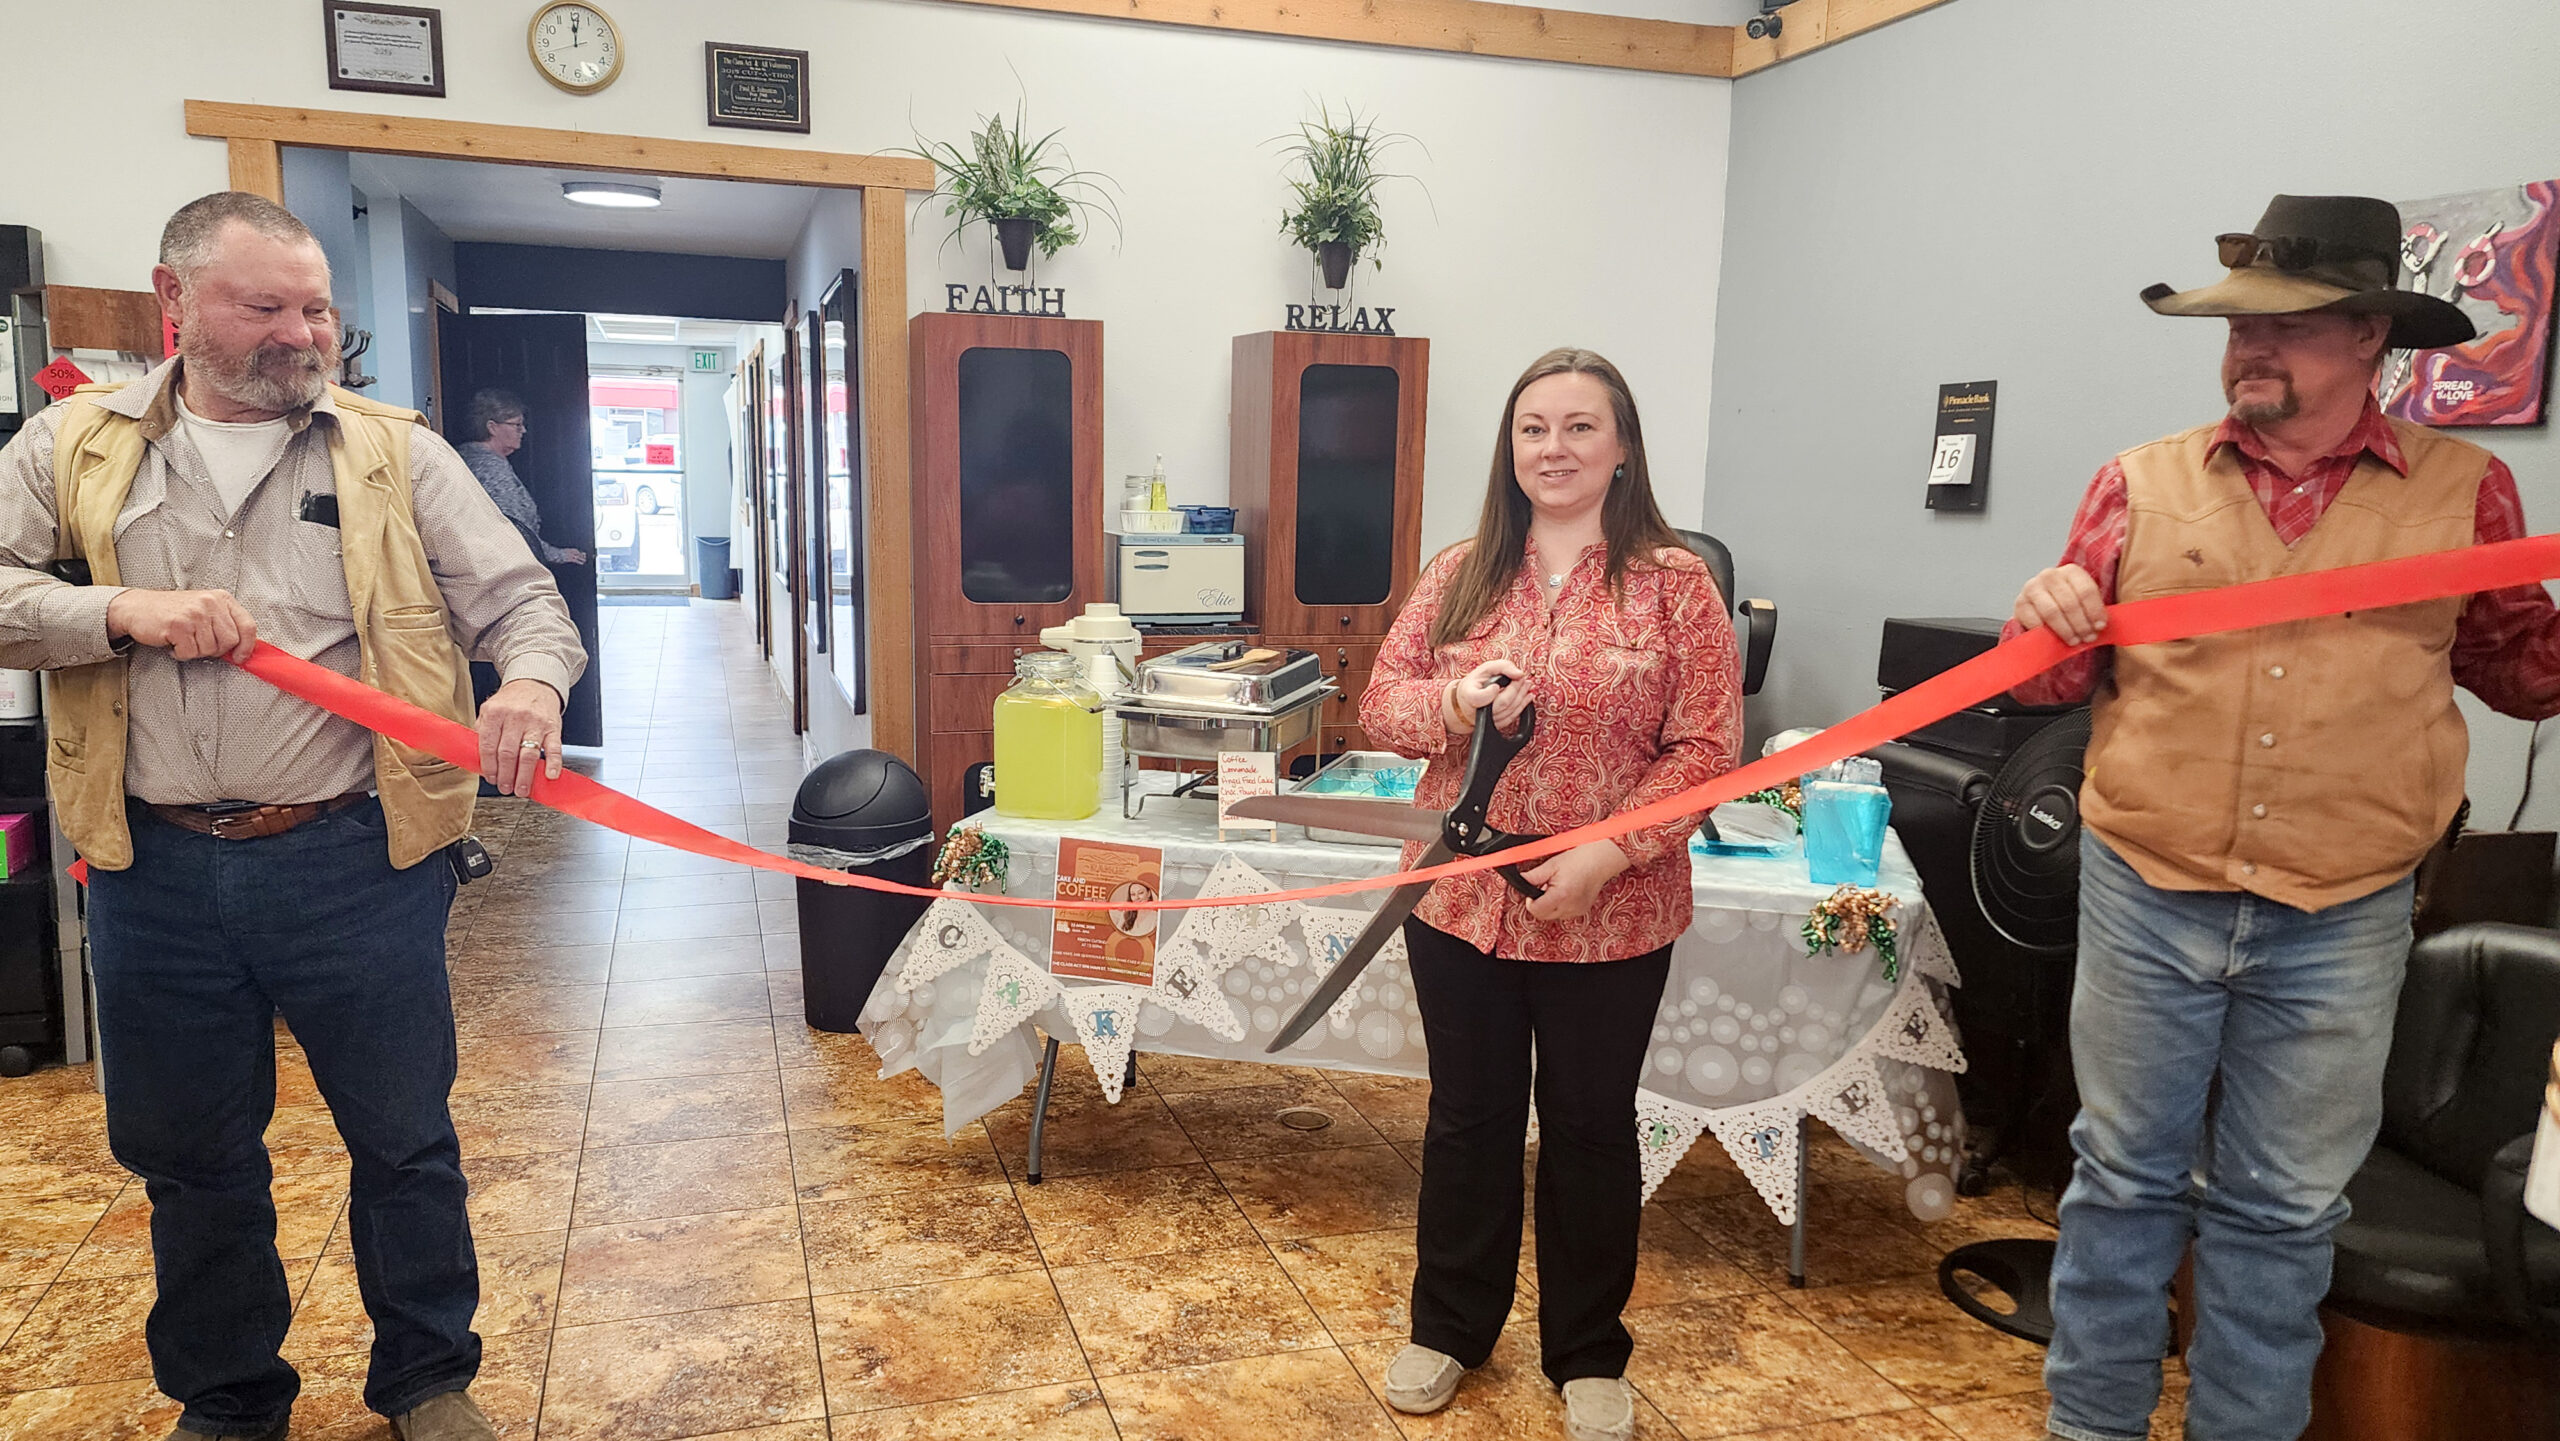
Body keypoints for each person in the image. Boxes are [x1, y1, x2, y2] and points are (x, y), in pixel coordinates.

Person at [0, 192, 589, 1441]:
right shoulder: (71, 447)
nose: (299, 330)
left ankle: (428, 1379)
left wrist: (531, 681)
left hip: (353, 860)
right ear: (175, 303)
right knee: (191, 1158)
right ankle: (228, 1399)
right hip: (151, 869)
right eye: (261, 305)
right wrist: (116, 614)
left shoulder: (396, 452)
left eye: (314, 304)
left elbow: (523, 603)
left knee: (405, 1137)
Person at [2005, 194, 2560, 1441]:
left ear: (2370, 337)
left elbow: (2524, 672)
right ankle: (2087, 1429)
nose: (2251, 349)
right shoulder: (2136, 485)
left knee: (2284, 1208)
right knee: (2122, 1181)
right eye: (2238, 329)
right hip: (2149, 884)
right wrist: (2039, 613)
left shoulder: (2469, 493)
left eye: (2288, 327)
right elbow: (2043, 681)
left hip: (2343, 908)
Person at [1361, 348, 1741, 1441]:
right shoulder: (1462, 569)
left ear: (1621, 449)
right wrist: (1450, 698)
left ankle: (1587, 1351)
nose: (1554, 449)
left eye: (1580, 428)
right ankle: (1448, 1329)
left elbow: (1710, 748)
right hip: (1461, 899)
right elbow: (1381, 705)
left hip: (1612, 907)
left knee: (1587, 1125)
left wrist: (1608, 856)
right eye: (1534, 428)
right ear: (1509, 447)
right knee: (1468, 1120)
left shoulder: (1675, 584)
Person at [454, 388, 587, 567]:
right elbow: (514, 529)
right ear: (492, 427)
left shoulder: (471, 456)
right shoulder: (488, 467)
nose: (523, 430)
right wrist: (557, 555)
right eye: (517, 425)